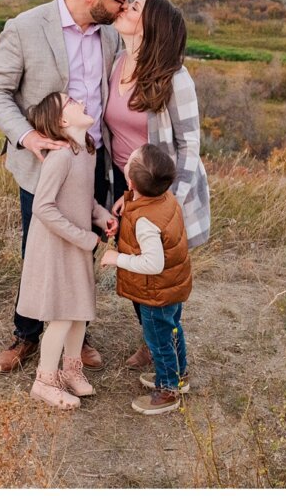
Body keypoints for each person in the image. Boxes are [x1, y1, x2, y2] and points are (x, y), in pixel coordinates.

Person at [0, 0, 133, 373]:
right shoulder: (26, 27)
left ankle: (74, 339)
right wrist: (28, 137)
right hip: (43, 164)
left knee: (81, 248)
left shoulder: (110, 34)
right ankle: (26, 334)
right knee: (40, 250)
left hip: (94, 161)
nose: (124, 8)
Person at [102, 0, 210, 370]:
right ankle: (153, 344)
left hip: (159, 192)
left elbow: (189, 146)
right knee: (136, 270)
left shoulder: (175, 79)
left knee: (160, 281)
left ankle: (170, 364)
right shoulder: (116, 62)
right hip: (124, 184)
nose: (126, 7)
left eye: (135, 7)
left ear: (152, 27)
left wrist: (169, 204)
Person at [16, 92, 116, 409]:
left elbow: (84, 201)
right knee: (60, 315)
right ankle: (44, 381)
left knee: (78, 313)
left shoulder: (86, 152)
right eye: (70, 101)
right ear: (62, 121)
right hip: (55, 246)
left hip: (74, 242)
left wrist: (103, 217)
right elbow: (43, 207)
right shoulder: (59, 158)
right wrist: (84, 238)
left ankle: (71, 371)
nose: (80, 101)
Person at [100, 144, 190, 415]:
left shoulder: (145, 220)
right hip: (171, 286)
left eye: (131, 159)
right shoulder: (162, 198)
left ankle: (167, 390)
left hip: (155, 292)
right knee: (172, 329)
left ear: (130, 180)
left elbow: (153, 262)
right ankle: (179, 375)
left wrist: (116, 258)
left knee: (159, 340)